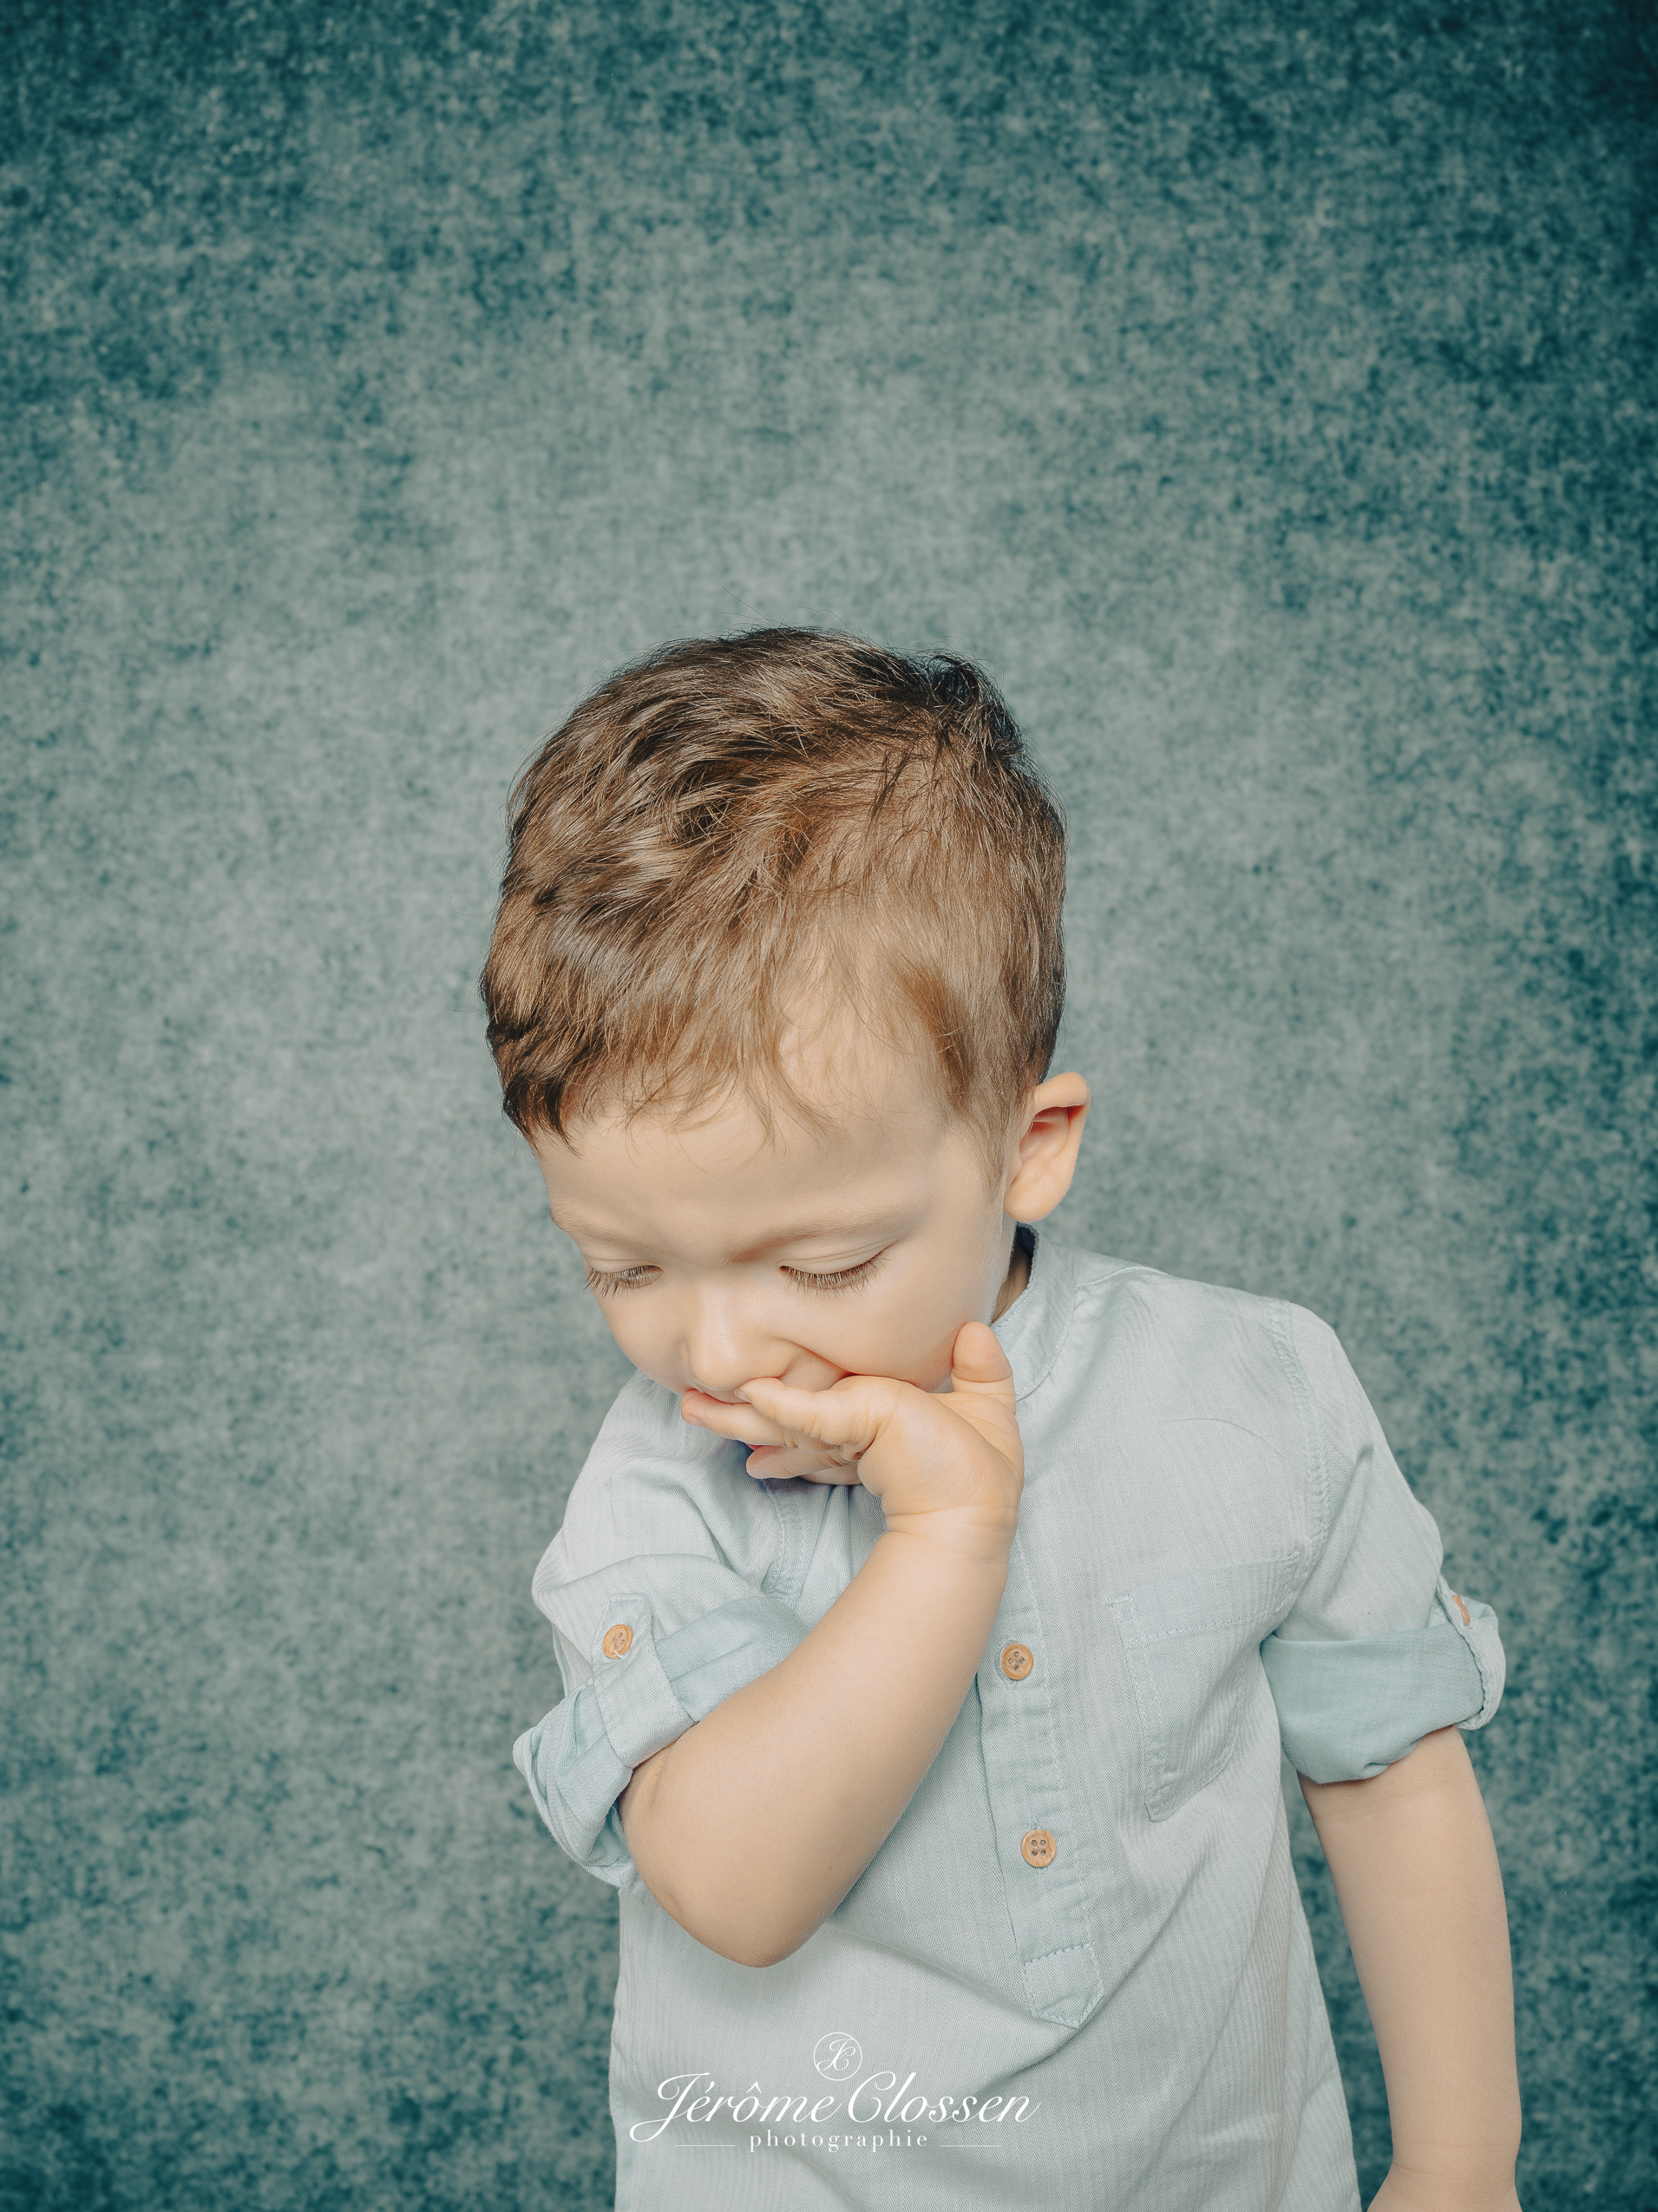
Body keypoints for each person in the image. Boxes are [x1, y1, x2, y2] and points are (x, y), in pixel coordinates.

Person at [482, 629, 1522, 2212]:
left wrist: (1459, 2161)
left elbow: (1387, 1771)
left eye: (821, 1260)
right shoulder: (656, 1494)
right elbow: (740, 1887)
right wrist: (947, 1537)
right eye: (621, 1264)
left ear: (1029, 1146)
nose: (714, 1340)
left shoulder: (1259, 1392)